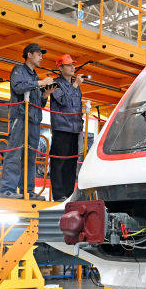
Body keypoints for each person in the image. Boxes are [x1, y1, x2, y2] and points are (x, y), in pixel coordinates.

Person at [0, 43, 56, 200]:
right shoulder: (19, 70)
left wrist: (45, 94)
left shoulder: (34, 76)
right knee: (14, 154)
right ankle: (7, 190)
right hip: (21, 118)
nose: (41, 57)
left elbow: (38, 104)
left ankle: (27, 191)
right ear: (29, 55)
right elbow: (17, 87)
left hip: (34, 121)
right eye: (38, 54)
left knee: (30, 157)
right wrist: (40, 83)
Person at [49, 54, 84, 201]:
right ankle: (58, 194)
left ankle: (69, 194)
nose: (72, 67)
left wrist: (81, 126)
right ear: (61, 67)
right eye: (69, 65)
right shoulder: (55, 84)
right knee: (59, 162)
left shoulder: (76, 86)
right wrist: (75, 85)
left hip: (74, 129)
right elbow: (63, 100)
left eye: (73, 65)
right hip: (61, 128)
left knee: (71, 164)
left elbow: (78, 107)